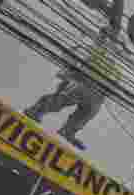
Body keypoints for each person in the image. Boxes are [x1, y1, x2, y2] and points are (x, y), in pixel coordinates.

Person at [23, 21, 125, 150]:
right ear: (102, 36)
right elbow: (72, 59)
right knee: (60, 101)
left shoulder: (115, 63)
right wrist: (67, 75)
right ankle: (36, 110)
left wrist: (106, 93)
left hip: (97, 92)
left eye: (115, 42)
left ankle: (68, 131)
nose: (111, 43)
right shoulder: (90, 47)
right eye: (106, 37)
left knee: (90, 111)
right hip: (81, 81)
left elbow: (114, 83)